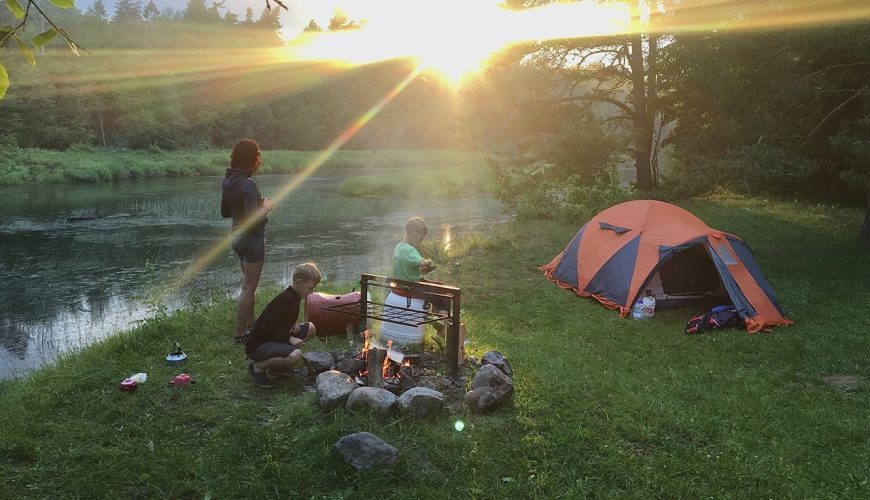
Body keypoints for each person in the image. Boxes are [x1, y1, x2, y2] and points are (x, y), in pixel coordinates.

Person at [221, 139, 274, 343]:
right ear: (254, 158)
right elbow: (253, 220)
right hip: (252, 240)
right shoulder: (249, 185)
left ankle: (253, 324)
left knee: (248, 285)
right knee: (248, 288)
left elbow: (225, 212)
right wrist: (266, 206)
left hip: (236, 237)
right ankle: (240, 333)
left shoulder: (228, 181)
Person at [245, 262, 321, 389]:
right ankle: (257, 367)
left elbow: (284, 317)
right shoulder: (286, 300)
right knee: (296, 355)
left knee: (310, 327)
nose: (311, 292)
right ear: (298, 282)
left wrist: (293, 322)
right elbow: (267, 326)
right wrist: (289, 338)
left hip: (275, 337)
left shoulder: (294, 296)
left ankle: (279, 368)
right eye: (310, 288)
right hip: (258, 344)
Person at [380, 217, 446, 346]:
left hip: (402, 284)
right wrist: (427, 263)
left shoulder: (398, 247)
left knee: (438, 289)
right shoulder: (410, 250)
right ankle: (441, 331)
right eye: (421, 238)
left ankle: (435, 320)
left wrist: (423, 270)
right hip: (413, 287)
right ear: (413, 233)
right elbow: (421, 262)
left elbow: (411, 268)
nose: (422, 241)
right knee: (444, 295)